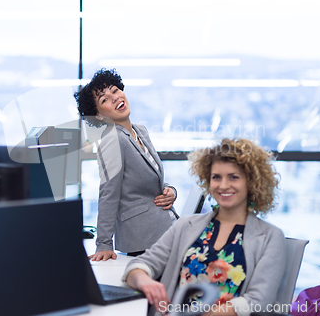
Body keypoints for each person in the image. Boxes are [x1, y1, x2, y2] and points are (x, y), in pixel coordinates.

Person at [123, 138, 286, 316]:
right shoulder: (186, 225)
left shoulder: (271, 236)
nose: (223, 185)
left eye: (233, 177)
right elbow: (141, 264)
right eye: (216, 177)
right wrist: (143, 280)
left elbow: (259, 300)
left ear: (252, 182)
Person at [74, 68, 178, 261]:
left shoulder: (140, 131)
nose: (114, 98)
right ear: (98, 115)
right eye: (104, 99)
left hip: (163, 229)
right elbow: (108, 193)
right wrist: (104, 244)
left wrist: (170, 191)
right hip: (143, 240)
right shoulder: (112, 140)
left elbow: (149, 179)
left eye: (114, 90)